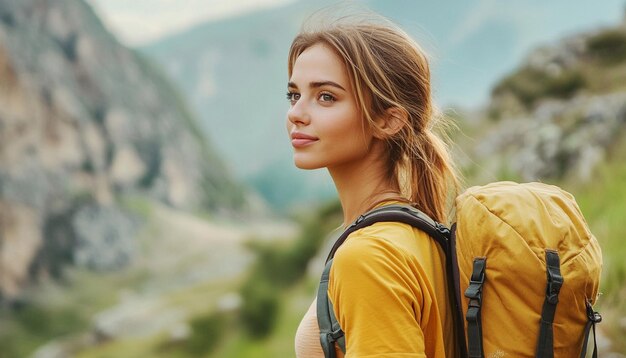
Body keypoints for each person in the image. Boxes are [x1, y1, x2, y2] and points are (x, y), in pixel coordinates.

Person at [286, 12, 460, 358]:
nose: (296, 113)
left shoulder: (368, 257)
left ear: (388, 120)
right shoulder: (417, 230)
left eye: (326, 97)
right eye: (294, 95)